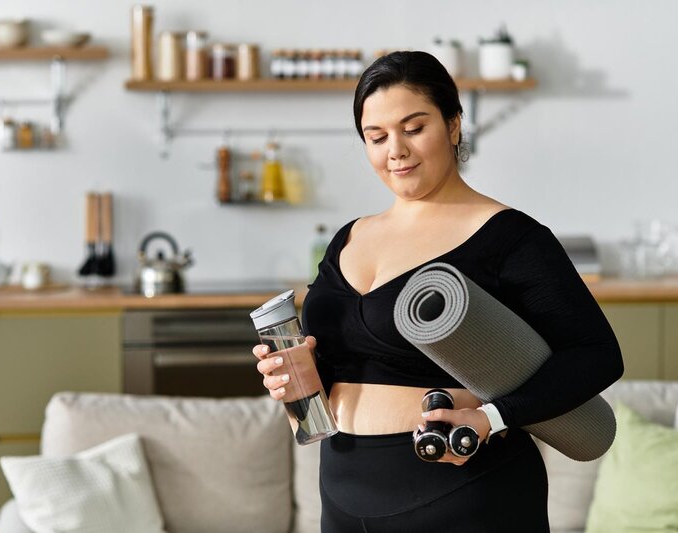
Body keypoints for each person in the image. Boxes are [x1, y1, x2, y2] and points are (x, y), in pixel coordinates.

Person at [253, 50, 623, 532]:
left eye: (414, 127)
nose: (396, 151)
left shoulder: (509, 236)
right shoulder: (348, 238)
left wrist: (492, 417)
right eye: (377, 136)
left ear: (453, 124)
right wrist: (300, 374)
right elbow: (339, 367)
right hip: (343, 490)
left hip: (463, 491)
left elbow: (597, 355)